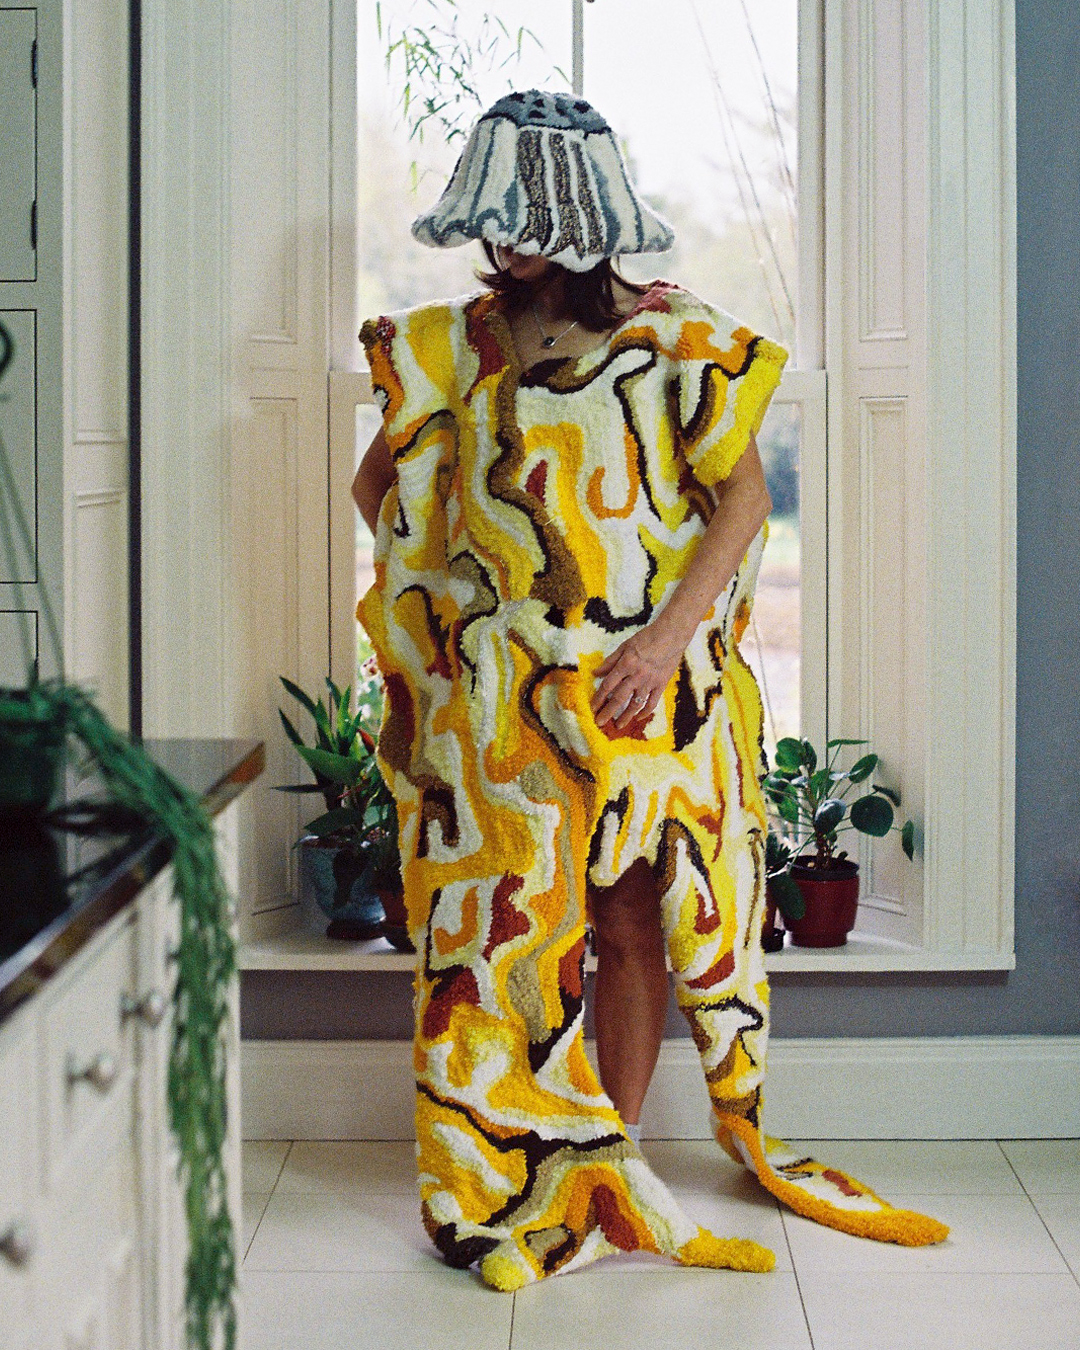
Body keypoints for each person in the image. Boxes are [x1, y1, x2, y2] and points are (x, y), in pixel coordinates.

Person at [353, 88, 946, 1290]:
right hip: (503, 712)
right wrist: (468, 604)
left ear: (583, 214)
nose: (504, 240)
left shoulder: (677, 340)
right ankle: (518, 1165)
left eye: (525, 216)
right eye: (493, 216)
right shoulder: (458, 345)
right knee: (500, 945)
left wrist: (664, 644)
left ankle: (608, 1163)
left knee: (628, 921)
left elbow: (744, 503)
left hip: (637, 696)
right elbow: (381, 487)